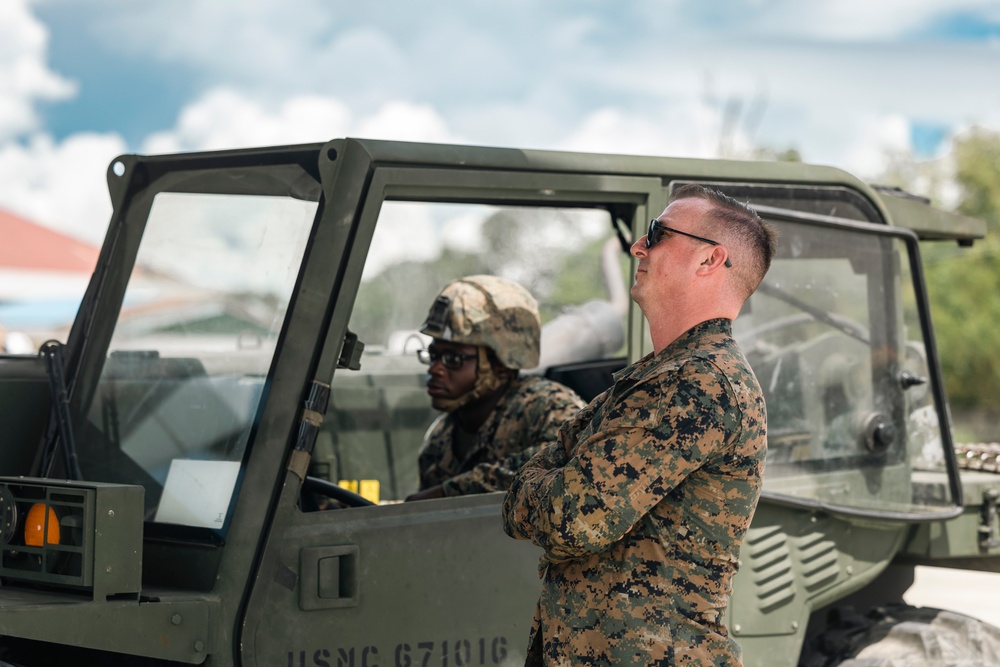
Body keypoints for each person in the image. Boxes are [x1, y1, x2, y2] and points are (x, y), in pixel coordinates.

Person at [502, 184, 778, 666]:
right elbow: (546, 476)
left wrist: (540, 479)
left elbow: (570, 517)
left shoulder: (698, 383)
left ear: (710, 260)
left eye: (657, 233)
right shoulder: (657, 376)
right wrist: (544, 478)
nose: (638, 247)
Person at [405, 275, 586, 502]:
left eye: (453, 358)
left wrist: (449, 492)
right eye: (433, 356)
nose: (435, 370)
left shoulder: (548, 404)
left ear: (501, 365)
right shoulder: (440, 436)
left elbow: (570, 462)